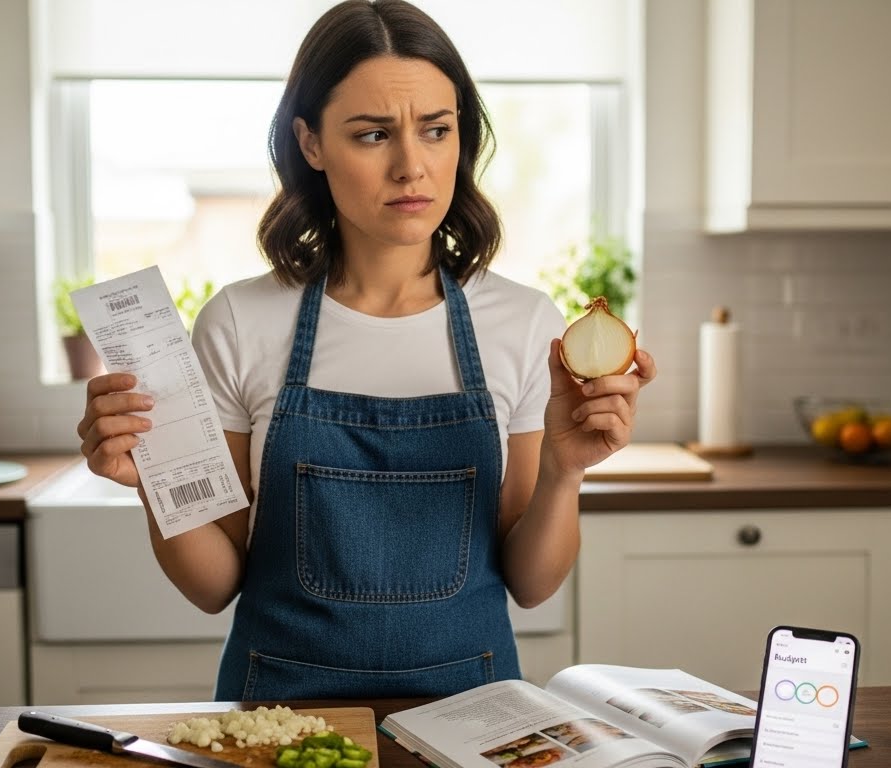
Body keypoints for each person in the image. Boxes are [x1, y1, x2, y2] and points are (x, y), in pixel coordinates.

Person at [76, 0, 655, 701]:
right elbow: (213, 585)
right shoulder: (239, 321)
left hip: (473, 717)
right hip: (280, 721)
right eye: (373, 135)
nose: (412, 166)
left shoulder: (523, 323)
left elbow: (532, 586)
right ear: (311, 143)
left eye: (435, 130)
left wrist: (565, 471)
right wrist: (155, 481)